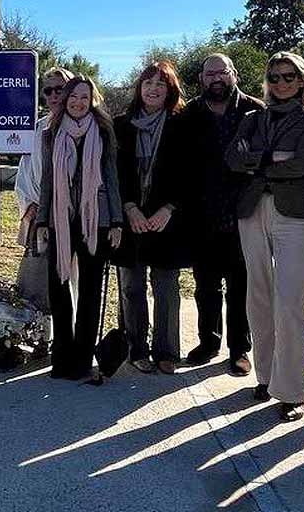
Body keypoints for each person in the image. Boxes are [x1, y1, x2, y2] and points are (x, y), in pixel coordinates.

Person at [227, 52, 304, 422]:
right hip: (253, 210)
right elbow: (232, 159)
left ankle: (291, 390)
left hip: (296, 214)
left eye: (289, 76)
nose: (281, 82)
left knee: (291, 300)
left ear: (302, 80)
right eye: (274, 77)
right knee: (258, 295)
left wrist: (258, 159)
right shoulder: (253, 117)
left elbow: (303, 162)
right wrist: (274, 158)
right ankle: (265, 376)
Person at [36, 76, 124, 381]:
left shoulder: (102, 131)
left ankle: (83, 359)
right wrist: (42, 219)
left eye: (84, 98)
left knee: (89, 291)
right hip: (61, 218)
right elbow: (47, 179)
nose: (78, 102)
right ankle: (61, 357)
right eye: (73, 97)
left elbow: (111, 178)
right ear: (65, 99)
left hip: (95, 219)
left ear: (92, 100)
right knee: (58, 289)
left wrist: (115, 221)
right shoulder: (52, 132)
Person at [112, 61, 194, 374]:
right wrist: (129, 208)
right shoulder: (122, 125)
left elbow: (191, 174)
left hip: (167, 221)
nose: (153, 89)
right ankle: (136, 349)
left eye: (160, 83)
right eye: (148, 83)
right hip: (130, 219)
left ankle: (167, 352)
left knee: (166, 289)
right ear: (139, 88)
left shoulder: (182, 124)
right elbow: (113, 172)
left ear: (170, 89)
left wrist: (168, 208)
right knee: (131, 289)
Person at [182, 53, 261, 376]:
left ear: (234, 74)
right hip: (202, 213)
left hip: (244, 212)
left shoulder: (255, 111)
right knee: (205, 286)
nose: (216, 78)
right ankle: (209, 341)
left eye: (222, 72)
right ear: (202, 79)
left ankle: (240, 349)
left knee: (241, 286)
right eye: (210, 73)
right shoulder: (191, 112)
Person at [14, 66, 74, 357]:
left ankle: (69, 337)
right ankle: (43, 338)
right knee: (40, 280)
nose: (53, 95)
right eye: (47, 90)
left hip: (73, 219)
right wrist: (29, 206)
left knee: (69, 279)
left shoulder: (83, 127)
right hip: (40, 217)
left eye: (59, 89)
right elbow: (24, 174)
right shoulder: (36, 129)